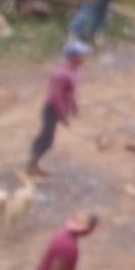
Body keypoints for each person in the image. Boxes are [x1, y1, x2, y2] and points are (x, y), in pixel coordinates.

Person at [27, 40, 90, 176]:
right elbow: (55, 98)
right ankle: (32, 164)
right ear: (73, 57)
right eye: (82, 55)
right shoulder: (61, 74)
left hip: (59, 108)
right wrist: (62, 116)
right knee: (47, 139)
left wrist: (74, 106)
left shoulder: (75, 69)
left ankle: (33, 163)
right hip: (52, 110)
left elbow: (71, 91)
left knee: (47, 137)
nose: (85, 57)